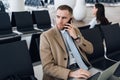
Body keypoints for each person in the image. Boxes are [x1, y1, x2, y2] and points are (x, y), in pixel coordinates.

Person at [40, 5, 93, 80]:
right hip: (63, 73)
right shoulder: (46, 36)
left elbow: (90, 50)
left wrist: (76, 37)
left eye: (64, 18)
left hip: (83, 68)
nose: (59, 21)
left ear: (70, 20)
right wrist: (71, 73)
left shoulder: (75, 30)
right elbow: (47, 67)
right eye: (58, 17)